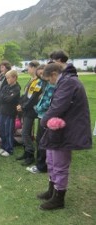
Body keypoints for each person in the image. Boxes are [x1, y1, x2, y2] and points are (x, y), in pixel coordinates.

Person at [37, 62, 92, 210]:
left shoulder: (68, 82)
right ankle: (52, 190)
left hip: (66, 130)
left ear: (54, 74)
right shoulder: (66, 81)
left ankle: (59, 198)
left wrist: (43, 120)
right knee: (51, 159)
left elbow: (58, 106)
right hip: (58, 128)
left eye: (49, 79)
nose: (50, 83)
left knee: (60, 163)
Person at [26, 64, 55, 174]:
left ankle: (41, 166)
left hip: (45, 115)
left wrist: (38, 108)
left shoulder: (52, 85)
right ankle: (42, 164)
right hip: (42, 114)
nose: (42, 76)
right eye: (40, 74)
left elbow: (48, 101)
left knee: (42, 141)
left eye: (43, 74)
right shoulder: (46, 84)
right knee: (40, 140)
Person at [16, 60, 45, 166]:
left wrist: (23, 107)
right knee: (26, 132)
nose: (28, 69)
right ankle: (26, 152)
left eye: (29, 67)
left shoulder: (39, 81)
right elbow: (26, 94)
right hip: (27, 108)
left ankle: (30, 155)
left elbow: (33, 98)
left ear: (34, 68)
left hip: (31, 110)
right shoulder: (32, 79)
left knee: (25, 133)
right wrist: (20, 104)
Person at [0, 70, 21, 157]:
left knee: (8, 131)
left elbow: (9, 99)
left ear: (14, 77)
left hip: (10, 113)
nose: (7, 80)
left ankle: (9, 149)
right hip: (2, 111)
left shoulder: (17, 88)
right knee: (2, 130)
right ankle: (3, 146)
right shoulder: (5, 87)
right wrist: (5, 97)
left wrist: (5, 97)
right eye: (6, 78)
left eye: (8, 78)